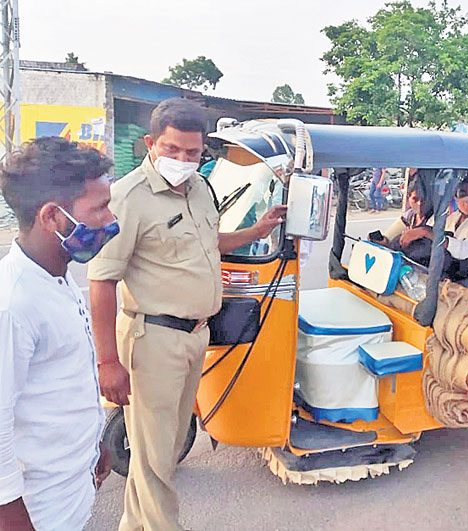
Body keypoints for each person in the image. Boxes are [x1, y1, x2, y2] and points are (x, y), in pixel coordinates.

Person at [87, 98, 287, 531]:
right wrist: (107, 362)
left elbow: (207, 243)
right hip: (153, 339)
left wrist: (257, 231)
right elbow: (101, 280)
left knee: (165, 446)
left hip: (195, 336)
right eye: (172, 149)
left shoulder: (199, 188)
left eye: (192, 153)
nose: (181, 160)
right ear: (150, 143)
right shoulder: (129, 198)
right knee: (155, 458)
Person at [0, 137, 115, 530]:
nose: (111, 218)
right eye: (99, 208)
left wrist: (94, 444)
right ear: (53, 217)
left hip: (70, 493)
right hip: (38, 513)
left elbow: (62, 383)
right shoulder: (12, 305)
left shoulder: (56, 277)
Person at [370, 175, 435, 265]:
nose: (419, 203)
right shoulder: (410, 215)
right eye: (415, 199)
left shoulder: (435, 219)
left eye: (423, 200)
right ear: (408, 197)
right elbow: (389, 237)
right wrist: (382, 242)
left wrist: (424, 232)